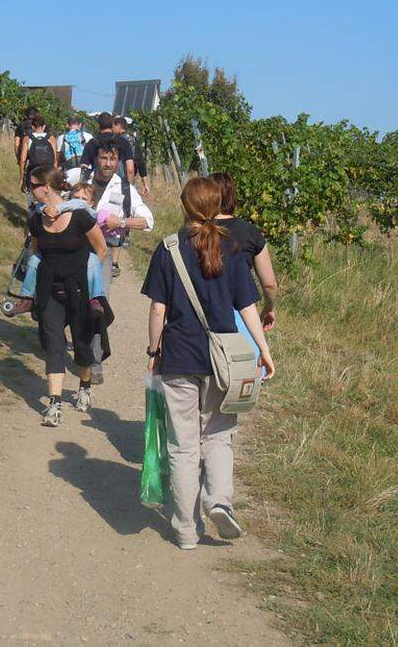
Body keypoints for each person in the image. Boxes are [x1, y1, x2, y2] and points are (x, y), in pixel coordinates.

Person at [141, 176, 275, 550]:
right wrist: (263, 350)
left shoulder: (168, 249)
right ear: (217, 207)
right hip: (223, 362)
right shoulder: (232, 249)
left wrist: (154, 353)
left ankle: (186, 530)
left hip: (180, 358)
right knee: (218, 435)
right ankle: (218, 501)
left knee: (182, 447)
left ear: (185, 206)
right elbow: (247, 306)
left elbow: (158, 309)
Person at [26, 165, 109, 427]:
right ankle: (55, 404)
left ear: (45, 187)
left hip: (79, 290)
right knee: (54, 344)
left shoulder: (81, 217)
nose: (30, 190)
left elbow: (101, 249)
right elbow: (37, 251)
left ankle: (84, 385)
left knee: (82, 346)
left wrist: (89, 276)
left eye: (32, 185)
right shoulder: (36, 219)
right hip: (50, 289)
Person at [13, 181, 112, 316]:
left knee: (93, 261)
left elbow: (80, 206)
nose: (80, 201)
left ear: (92, 202)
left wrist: (58, 208)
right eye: (76, 198)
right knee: (34, 260)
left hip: (83, 257)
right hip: (57, 256)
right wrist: (44, 209)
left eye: (84, 198)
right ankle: (27, 297)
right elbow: (38, 208)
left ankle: (94, 298)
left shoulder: (90, 213)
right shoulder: (65, 212)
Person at [208, 172, 279, 331]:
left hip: (201, 314)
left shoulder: (196, 231)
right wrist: (269, 308)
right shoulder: (250, 232)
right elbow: (269, 284)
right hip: (241, 316)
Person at [74, 141, 154, 279]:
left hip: (104, 252)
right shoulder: (77, 178)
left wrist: (120, 223)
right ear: (95, 159)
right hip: (73, 248)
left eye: (113, 159)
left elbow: (148, 221)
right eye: (104, 158)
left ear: (118, 162)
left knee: (99, 296)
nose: (108, 164)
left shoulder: (124, 189)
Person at [18, 114, 58, 194]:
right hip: (48, 171)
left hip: (34, 170)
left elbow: (23, 160)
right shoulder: (51, 138)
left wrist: (22, 178)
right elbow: (55, 160)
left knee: (33, 193)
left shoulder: (28, 138)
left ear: (32, 126)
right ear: (44, 126)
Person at [113, 116, 149, 196]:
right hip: (129, 181)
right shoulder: (132, 140)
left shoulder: (115, 140)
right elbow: (140, 161)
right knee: (127, 205)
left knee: (114, 204)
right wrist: (145, 183)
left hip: (117, 180)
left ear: (118, 125)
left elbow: (130, 168)